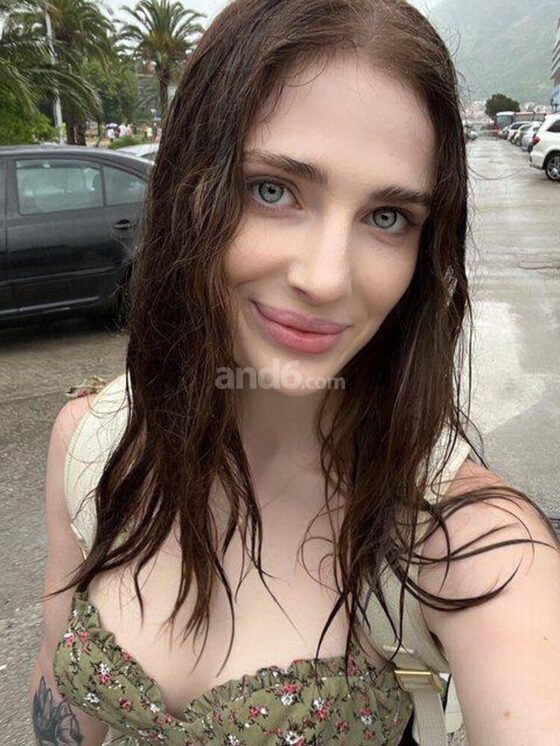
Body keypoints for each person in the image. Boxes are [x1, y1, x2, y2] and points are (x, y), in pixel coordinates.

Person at [29, 1, 560, 744]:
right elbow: (60, 704)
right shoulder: (91, 446)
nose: (326, 278)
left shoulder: (472, 543)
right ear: (187, 186)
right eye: (273, 189)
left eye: (387, 217)